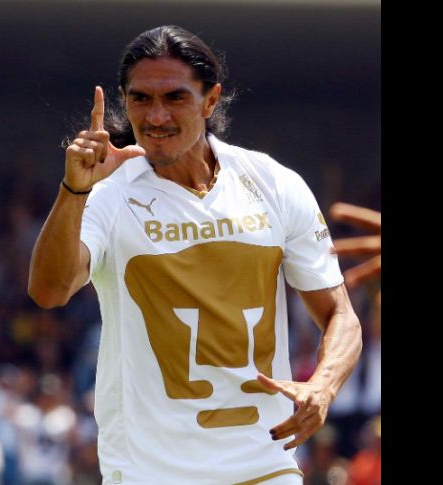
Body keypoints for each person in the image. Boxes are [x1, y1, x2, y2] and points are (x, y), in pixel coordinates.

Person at [28, 25, 362, 484]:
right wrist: (74, 190)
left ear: (210, 100)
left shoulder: (273, 183)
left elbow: (340, 314)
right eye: (140, 99)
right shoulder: (107, 194)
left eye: (175, 98)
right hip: (151, 471)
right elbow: (49, 291)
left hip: (264, 464)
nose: (156, 115)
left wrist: (322, 387)